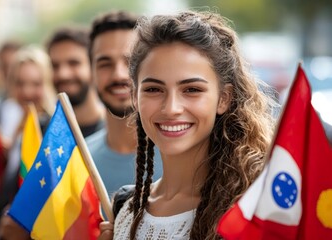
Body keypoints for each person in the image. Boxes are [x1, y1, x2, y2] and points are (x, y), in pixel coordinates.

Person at [99, 10, 276, 239]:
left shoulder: (254, 208)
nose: (171, 108)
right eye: (154, 89)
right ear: (134, 97)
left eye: (192, 90)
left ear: (224, 98)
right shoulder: (124, 208)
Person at [87, 10, 163, 197]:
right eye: (105, 64)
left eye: (130, 62)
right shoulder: (79, 160)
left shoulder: (183, 155)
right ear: (91, 72)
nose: (119, 75)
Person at [0, 45, 56, 240]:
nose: (27, 92)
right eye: (20, 83)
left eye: (36, 83)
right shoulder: (11, 116)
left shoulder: (53, 129)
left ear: (47, 83)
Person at [46, 26, 104, 137]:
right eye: (55, 66)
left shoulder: (114, 135)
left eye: (73, 63)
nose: (63, 74)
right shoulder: (41, 134)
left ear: (93, 66)